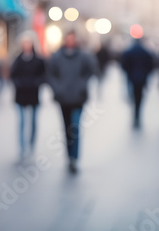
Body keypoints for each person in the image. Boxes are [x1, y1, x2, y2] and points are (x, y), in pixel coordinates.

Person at [47, 30, 97, 174]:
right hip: (63, 98)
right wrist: (58, 89)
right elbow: (51, 75)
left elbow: (90, 71)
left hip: (78, 97)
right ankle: (69, 156)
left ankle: (74, 158)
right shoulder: (57, 57)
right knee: (66, 128)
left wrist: (81, 85)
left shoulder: (83, 56)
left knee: (75, 127)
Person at [10, 31, 46, 160]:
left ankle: (31, 145)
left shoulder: (38, 60)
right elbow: (12, 75)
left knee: (33, 122)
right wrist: (20, 84)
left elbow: (43, 75)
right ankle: (22, 148)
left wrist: (34, 83)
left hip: (33, 95)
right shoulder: (18, 59)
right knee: (21, 122)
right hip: (20, 95)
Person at [121, 39, 154, 129]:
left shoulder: (129, 51)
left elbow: (124, 64)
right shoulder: (145, 52)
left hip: (132, 78)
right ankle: (137, 114)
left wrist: (129, 72)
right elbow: (151, 65)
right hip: (142, 78)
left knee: (133, 96)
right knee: (139, 97)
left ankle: (135, 115)